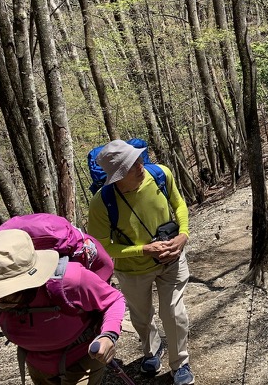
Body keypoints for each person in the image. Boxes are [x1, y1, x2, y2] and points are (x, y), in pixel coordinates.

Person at [87, 139, 194, 385]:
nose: (140, 165)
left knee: (173, 312)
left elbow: (179, 204)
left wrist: (183, 235)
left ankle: (180, 364)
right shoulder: (102, 204)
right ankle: (152, 350)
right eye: (131, 165)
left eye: (138, 159)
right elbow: (103, 246)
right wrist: (144, 249)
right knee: (141, 317)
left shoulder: (160, 175)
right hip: (133, 270)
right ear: (117, 176)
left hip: (172, 260)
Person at [0, 229, 124, 385]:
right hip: (36, 363)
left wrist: (108, 335)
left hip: (81, 356)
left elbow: (113, 300)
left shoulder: (70, 280)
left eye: (3, 295)